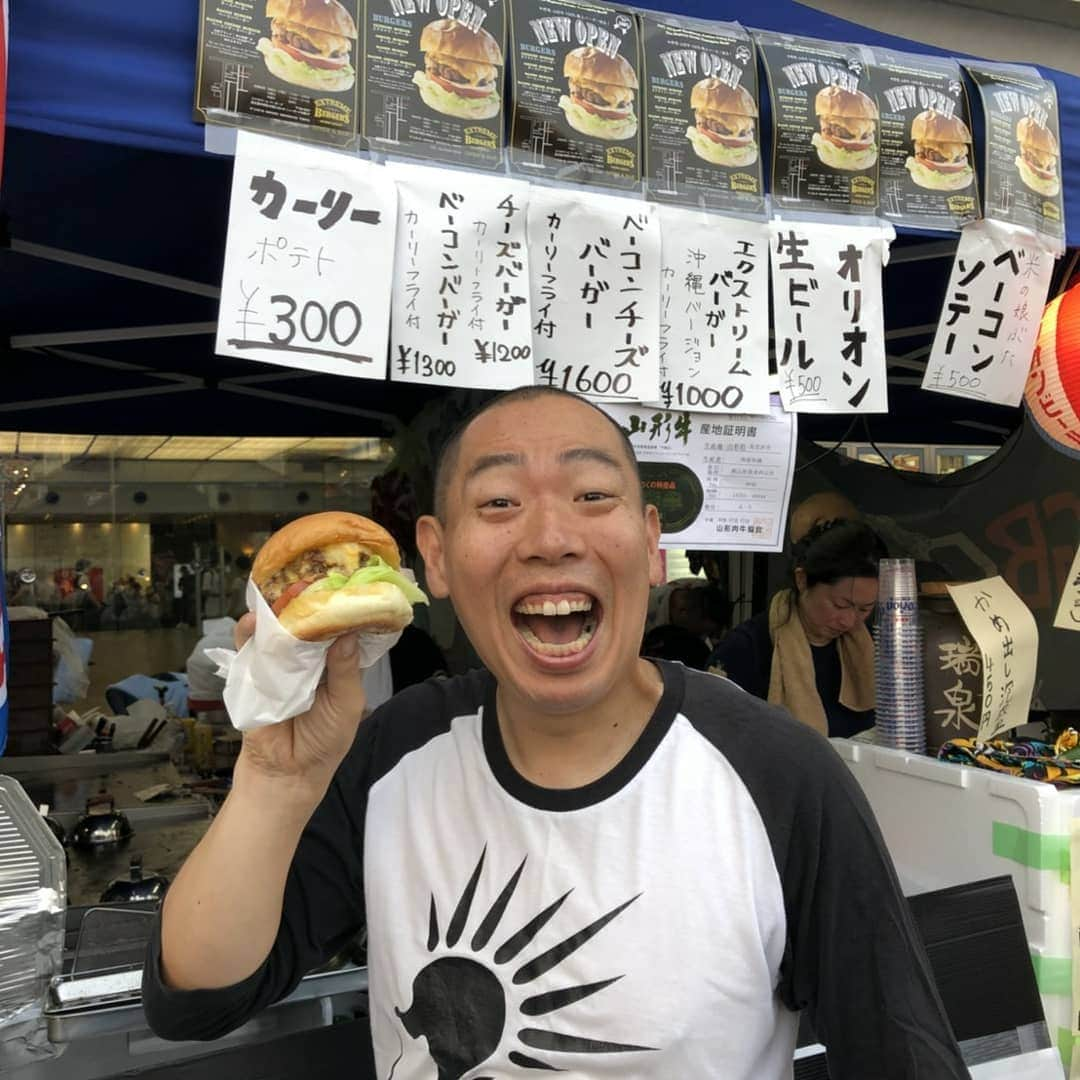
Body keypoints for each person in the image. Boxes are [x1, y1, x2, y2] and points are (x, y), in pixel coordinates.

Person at [143, 388, 966, 1078]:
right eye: (498, 503)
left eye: (592, 497)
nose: (549, 539)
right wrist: (275, 781)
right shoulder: (395, 753)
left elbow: (905, 1057)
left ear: (649, 545)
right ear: (435, 555)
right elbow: (197, 997)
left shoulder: (780, 774)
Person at [710, 519, 885, 739]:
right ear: (802, 580)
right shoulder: (747, 648)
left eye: (864, 609)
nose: (849, 621)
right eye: (840, 605)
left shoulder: (869, 647)